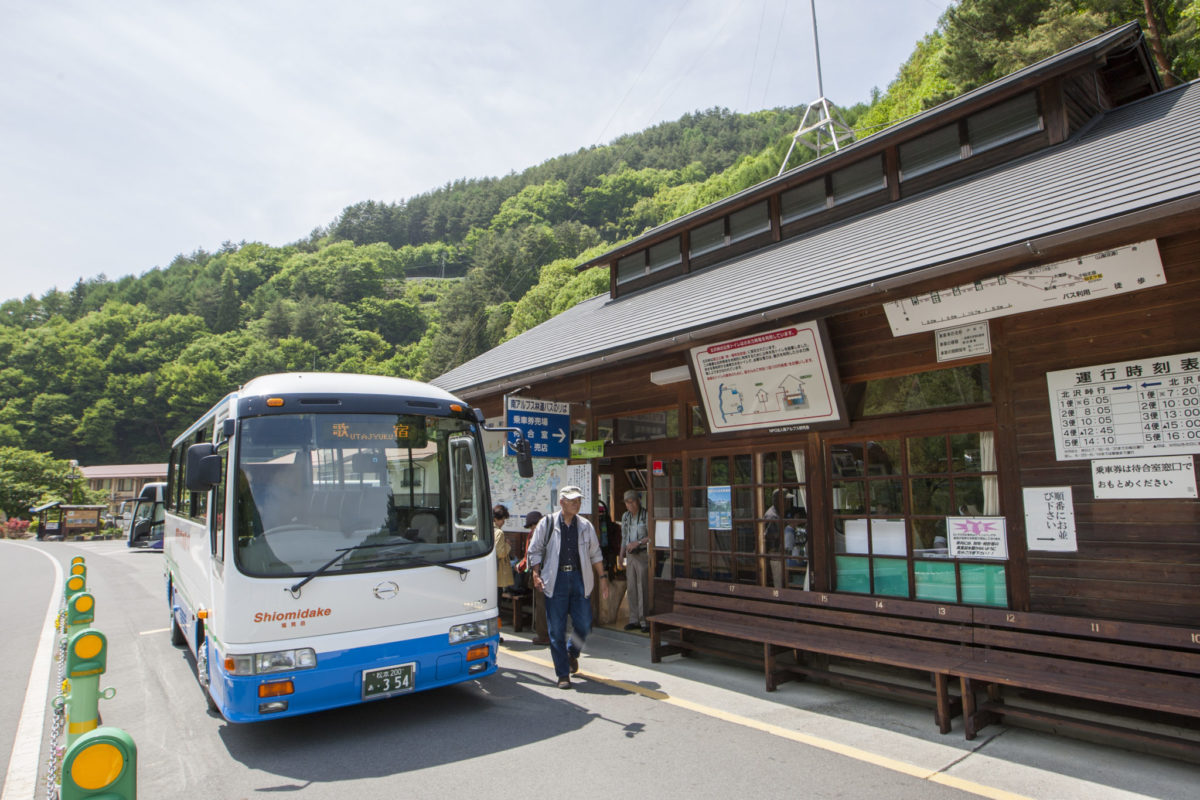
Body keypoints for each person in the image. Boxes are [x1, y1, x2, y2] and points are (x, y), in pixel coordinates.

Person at [526, 486, 609, 689]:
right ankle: (563, 674)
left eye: (578, 500)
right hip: (556, 579)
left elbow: (595, 554)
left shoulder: (585, 526)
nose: (576, 504)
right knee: (556, 629)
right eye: (572, 501)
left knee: (584, 623)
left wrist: (603, 578)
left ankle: (572, 652)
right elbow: (534, 551)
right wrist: (536, 574)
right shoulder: (547, 523)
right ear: (562, 502)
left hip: (580, 578)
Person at [516, 510, 549, 645]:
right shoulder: (550, 532)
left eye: (532, 525)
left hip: (540, 574)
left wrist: (521, 567)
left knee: (541, 606)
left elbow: (529, 556)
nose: (532, 528)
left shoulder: (534, 535)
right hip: (550, 573)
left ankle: (543, 636)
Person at [619, 489, 650, 632]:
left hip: (643, 554)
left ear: (638, 501)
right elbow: (624, 538)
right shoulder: (625, 517)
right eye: (627, 502)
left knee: (642, 586)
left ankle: (645, 621)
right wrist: (621, 555)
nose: (630, 505)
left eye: (632, 501)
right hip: (630, 556)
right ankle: (634, 619)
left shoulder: (646, 515)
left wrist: (638, 542)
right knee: (631, 587)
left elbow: (651, 536)